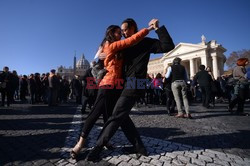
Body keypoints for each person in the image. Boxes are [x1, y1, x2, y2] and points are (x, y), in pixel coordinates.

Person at [86, 18, 174, 161]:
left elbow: (168, 46)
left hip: (136, 82)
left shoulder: (145, 42)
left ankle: (97, 147)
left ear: (133, 28)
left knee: (117, 114)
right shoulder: (123, 45)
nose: (123, 33)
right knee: (123, 117)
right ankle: (138, 146)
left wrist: (158, 29)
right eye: (122, 31)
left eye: (126, 29)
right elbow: (110, 57)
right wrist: (103, 55)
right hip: (122, 83)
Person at [70, 20, 154, 159]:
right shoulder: (111, 45)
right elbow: (130, 41)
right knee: (95, 113)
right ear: (111, 33)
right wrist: (148, 29)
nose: (121, 33)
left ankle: (106, 140)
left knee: (110, 114)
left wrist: (101, 54)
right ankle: (80, 143)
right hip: (107, 85)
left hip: (118, 86)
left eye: (121, 31)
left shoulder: (115, 48)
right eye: (118, 31)